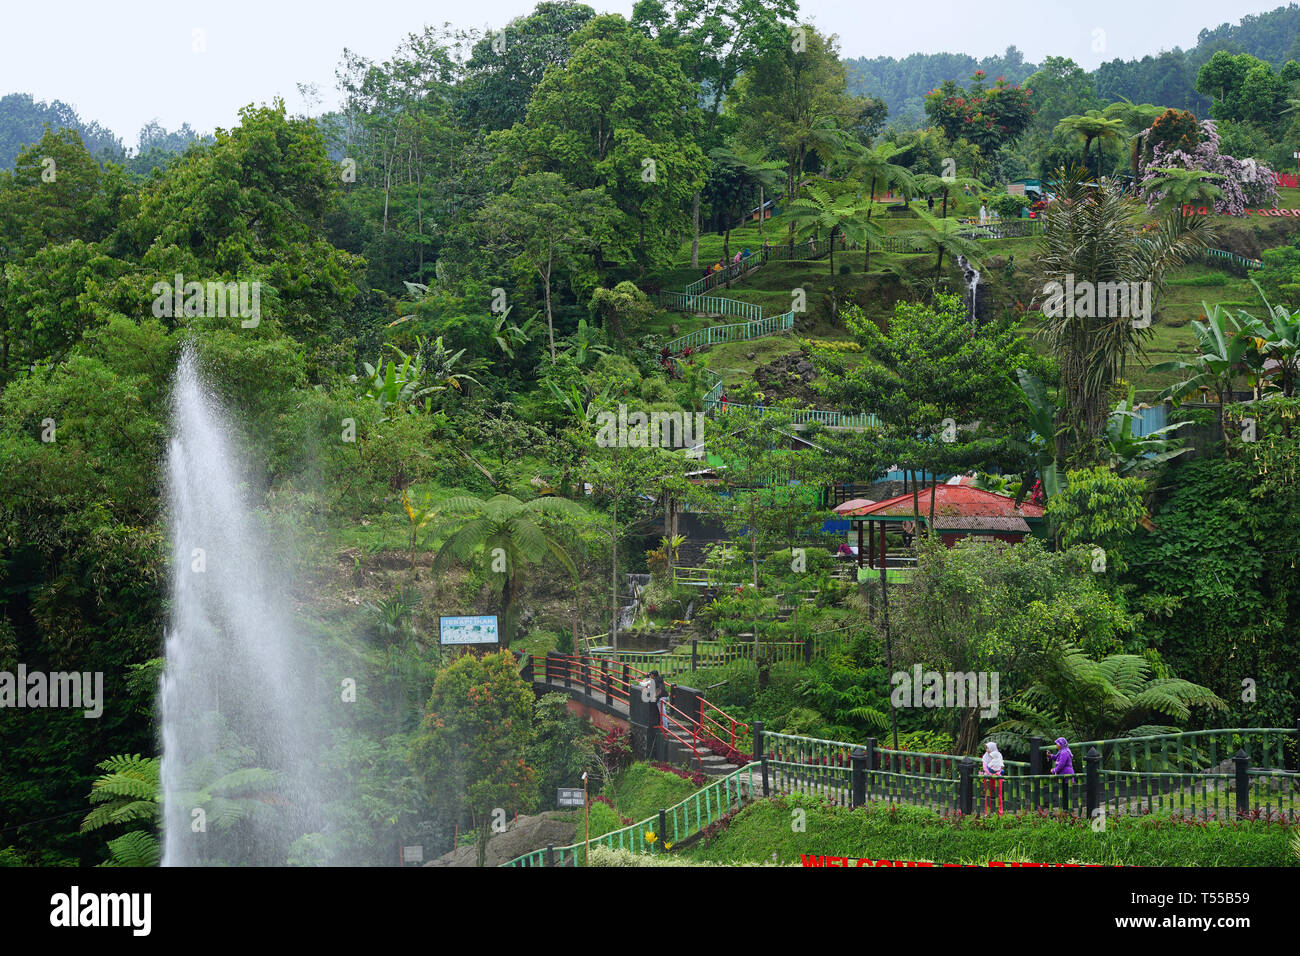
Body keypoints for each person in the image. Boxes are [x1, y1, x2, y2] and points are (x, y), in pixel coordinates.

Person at [1051, 736, 1074, 811]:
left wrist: (1054, 770)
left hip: (1067, 775)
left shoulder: (1064, 752)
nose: (1056, 745)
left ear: (1060, 745)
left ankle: (1068, 808)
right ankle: (1065, 808)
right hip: (1063, 775)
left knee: (1067, 792)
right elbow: (1057, 758)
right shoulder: (1061, 751)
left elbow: (1061, 764)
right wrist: (1050, 756)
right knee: (1064, 792)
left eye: (1057, 744)